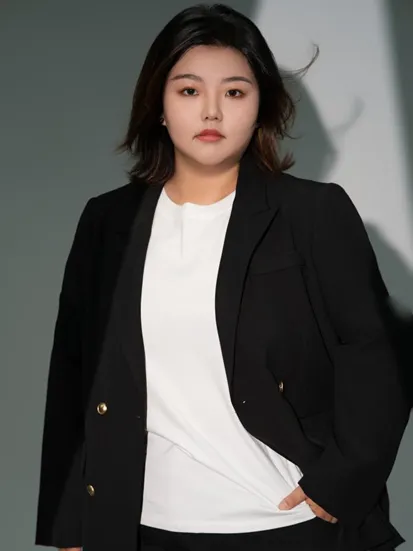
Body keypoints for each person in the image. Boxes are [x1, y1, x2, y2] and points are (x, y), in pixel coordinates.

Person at [34, 4, 410, 551]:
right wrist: (70, 527)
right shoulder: (106, 220)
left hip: (284, 525)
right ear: (159, 107)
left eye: (234, 92)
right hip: (139, 527)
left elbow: (376, 352)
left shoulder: (313, 213)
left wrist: (343, 480)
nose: (211, 110)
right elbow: (74, 371)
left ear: (260, 107)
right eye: (189, 91)